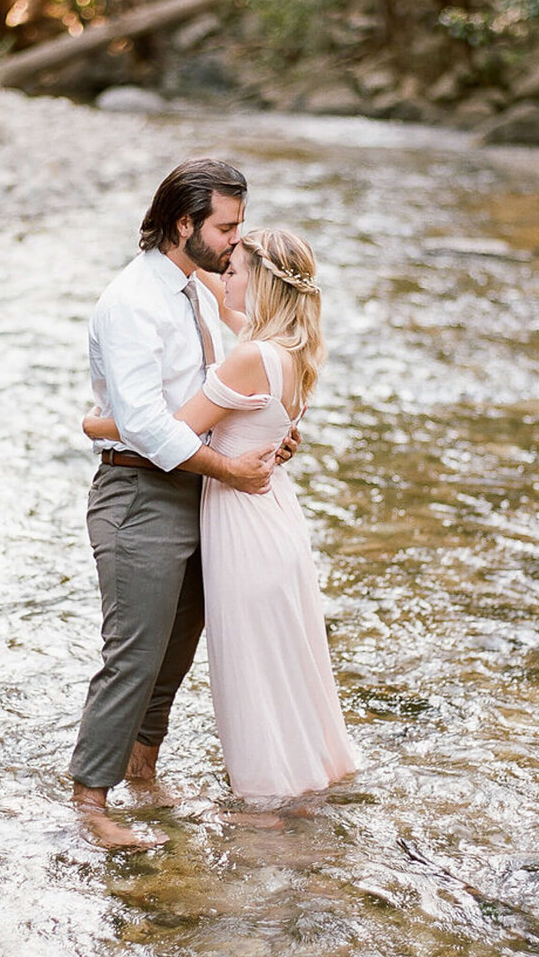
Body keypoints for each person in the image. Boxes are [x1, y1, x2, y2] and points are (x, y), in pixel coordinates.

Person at [83, 226, 359, 808]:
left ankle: (266, 803)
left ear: (259, 283)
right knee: (284, 658)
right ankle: (304, 779)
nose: (222, 275)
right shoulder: (290, 348)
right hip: (274, 518)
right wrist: (178, 252)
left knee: (252, 668)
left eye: (235, 269)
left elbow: (171, 427)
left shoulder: (250, 357)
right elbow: (212, 283)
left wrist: (98, 423)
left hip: (241, 524)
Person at [70, 159, 288, 850]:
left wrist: (266, 431)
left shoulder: (195, 292)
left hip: (196, 489)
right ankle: (90, 800)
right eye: (226, 227)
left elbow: (208, 394)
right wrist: (229, 467)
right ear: (184, 223)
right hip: (137, 493)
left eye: (239, 226)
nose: (235, 241)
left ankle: (143, 770)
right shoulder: (132, 301)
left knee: (178, 644)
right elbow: (143, 424)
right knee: (134, 651)